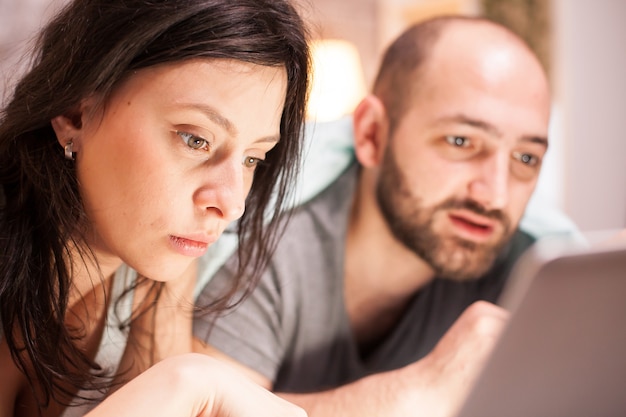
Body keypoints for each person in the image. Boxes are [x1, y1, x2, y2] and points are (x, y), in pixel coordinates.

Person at [193, 15, 564, 417]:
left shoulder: (532, 273)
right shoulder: (265, 248)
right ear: (372, 134)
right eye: (461, 141)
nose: (495, 194)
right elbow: (206, 411)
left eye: (526, 158)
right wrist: (417, 393)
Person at [0, 0, 310, 416]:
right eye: (195, 139)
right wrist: (190, 380)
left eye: (253, 158)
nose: (231, 203)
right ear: (75, 112)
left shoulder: (155, 266)